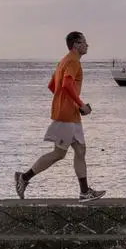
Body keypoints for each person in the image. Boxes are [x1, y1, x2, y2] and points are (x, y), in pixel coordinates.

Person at [14, 31, 106, 202]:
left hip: (69, 114)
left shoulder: (63, 61)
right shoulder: (73, 61)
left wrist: (66, 103)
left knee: (78, 150)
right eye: (84, 42)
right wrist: (80, 105)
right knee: (61, 153)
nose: (87, 45)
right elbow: (66, 85)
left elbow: (52, 86)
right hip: (67, 116)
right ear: (77, 45)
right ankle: (24, 178)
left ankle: (84, 191)